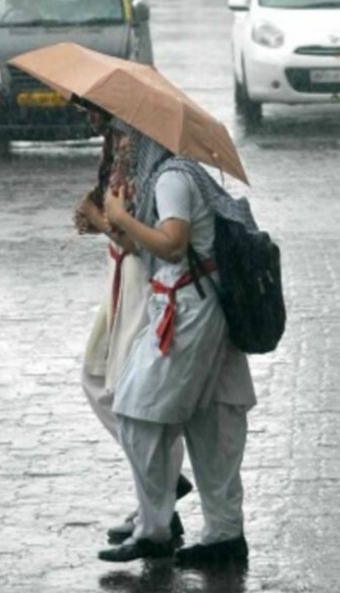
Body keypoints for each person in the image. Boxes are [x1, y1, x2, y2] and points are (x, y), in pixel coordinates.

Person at [97, 123, 257, 563]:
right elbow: (146, 244)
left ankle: (155, 529)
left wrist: (122, 214)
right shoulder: (176, 176)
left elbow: (171, 243)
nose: (123, 145)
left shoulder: (171, 179)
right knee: (212, 422)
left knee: (136, 411)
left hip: (188, 310)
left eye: (129, 136)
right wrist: (108, 221)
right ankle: (223, 534)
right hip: (196, 306)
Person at [72, 106, 194, 544]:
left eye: (87, 108)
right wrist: (97, 220)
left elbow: (139, 237)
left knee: (135, 395)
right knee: (101, 380)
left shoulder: (147, 158)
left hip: (141, 280)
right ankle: (162, 487)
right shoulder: (115, 149)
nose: (84, 118)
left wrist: (102, 217)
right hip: (118, 276)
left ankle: (157, 505)